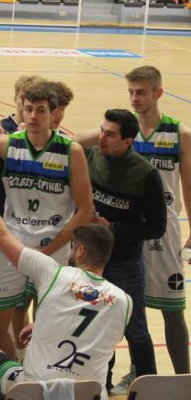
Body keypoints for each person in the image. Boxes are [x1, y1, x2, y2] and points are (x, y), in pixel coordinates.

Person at [0, 169, 132, 400]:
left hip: (35, 391)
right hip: (89, 394)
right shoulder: (124, 301)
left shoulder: (52, 273)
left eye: (73, 247)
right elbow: (89, 318)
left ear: (81, 251)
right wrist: (45, 321)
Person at [0, 82, 94, 359]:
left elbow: (86, 210)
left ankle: (41, 376)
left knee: (49, 323)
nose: (34, 116)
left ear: (53, 114)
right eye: (29, 109)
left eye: (40, 110)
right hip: (14, 248)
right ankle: (15, 374)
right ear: (22, 110)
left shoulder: (70, 151)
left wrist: (49, 250)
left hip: (54, 249)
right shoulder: (8, 143)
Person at [109, 66, 191, 394]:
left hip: (165, 231)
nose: (134, 98)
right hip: (130, 230)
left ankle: (185, 377)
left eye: (141, 92)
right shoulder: (123, 132)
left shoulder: (179, 133)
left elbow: (189, 184)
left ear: (158, 93)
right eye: (130, 91)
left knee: (173, 309)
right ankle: (137, 372)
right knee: (132, 307)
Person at [86, 109, 167, 392]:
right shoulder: (91, 156)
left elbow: (157, 227)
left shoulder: (147, 175)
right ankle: (101, 385)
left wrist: (114, 230)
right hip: (92, 261)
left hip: (125, 263)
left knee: (136, 331)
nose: (102, 138)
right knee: (96, 328)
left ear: (128, 141)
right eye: (102, 130)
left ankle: (150, 388)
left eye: (110, 134)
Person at [0, 75, 43, 360]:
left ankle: (22, 350)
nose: (30, 110)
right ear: (17, 98)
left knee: (23, 294)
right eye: (25, 100)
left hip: (28, 226)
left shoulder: (43, 132)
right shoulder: (2, 129)